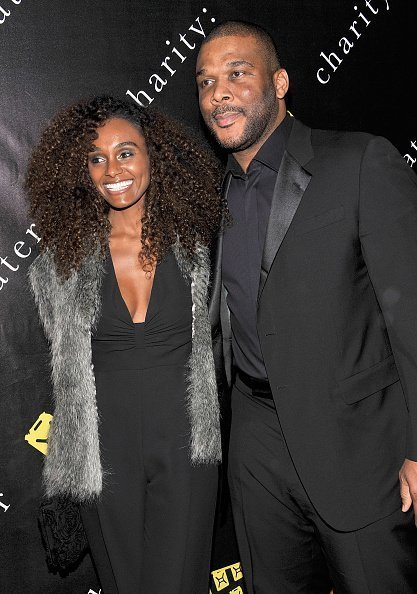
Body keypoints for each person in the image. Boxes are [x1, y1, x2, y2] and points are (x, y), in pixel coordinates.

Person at [196, 19, 417, 593]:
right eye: (204, 82)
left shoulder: (361, 161)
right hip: (255, 448)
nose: (217, 93)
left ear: (281, 81)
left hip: (358, 447)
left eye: (236, 74)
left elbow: (412, 314)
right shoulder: (214, 197)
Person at [25, 95, 225, 593]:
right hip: (102, 456)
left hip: (187, 445)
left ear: (154, 155)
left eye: (126, 152)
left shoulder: (201, 244)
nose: (112, 169)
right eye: (96, 158)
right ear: (80, 169)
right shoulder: (60, 266)